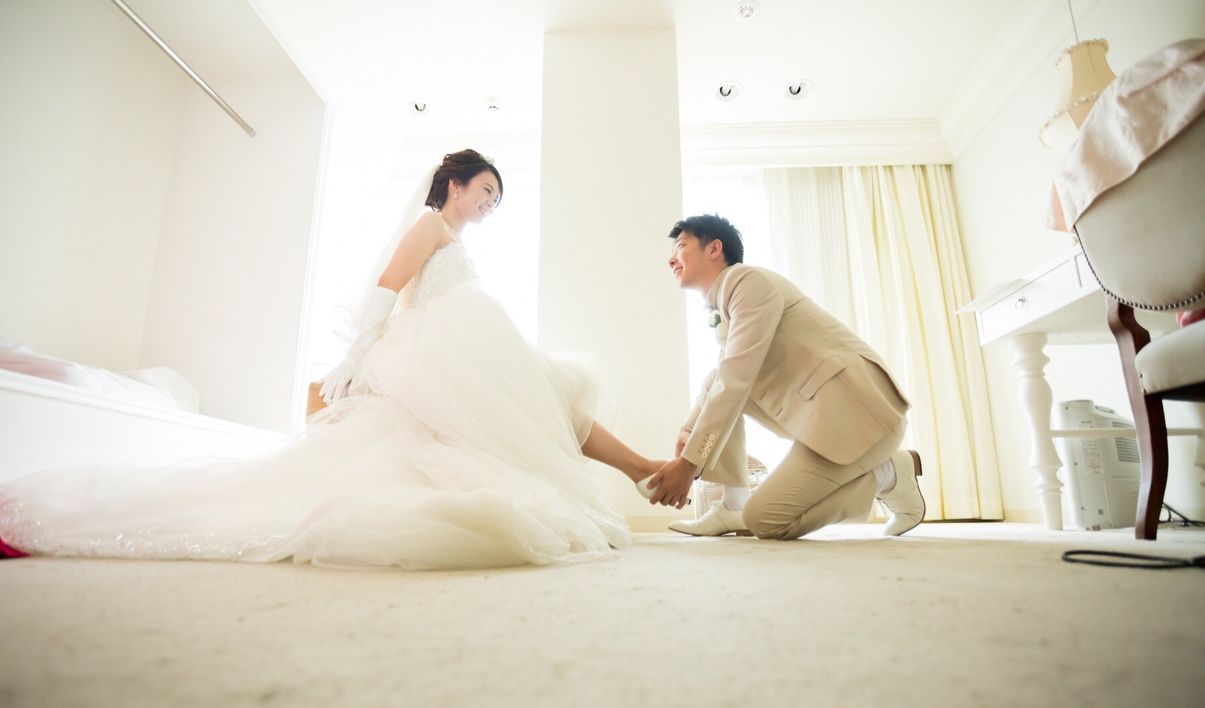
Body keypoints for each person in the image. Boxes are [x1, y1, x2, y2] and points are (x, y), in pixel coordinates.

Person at [0, 150, 664, 570]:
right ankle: (644, 470)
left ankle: (643, 470)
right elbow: (389, 285)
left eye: (497, 198)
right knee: (544, 388)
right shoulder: (430, 225)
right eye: (486, 189)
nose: (491, 202)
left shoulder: (452, 238)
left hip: (465, 345)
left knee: (547, 388)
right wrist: (357, 353)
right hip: (442, 346)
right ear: (455, 184)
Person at [645, 214, 926, 540]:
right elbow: (722, 379)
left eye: (681, 246)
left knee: (765, 521)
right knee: (716, 379)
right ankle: (734, 504)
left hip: (861, 416)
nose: (671, 259)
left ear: (714, 249)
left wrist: (689, 464)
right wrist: (689, 432)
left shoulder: (747, 282)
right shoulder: (726, 303)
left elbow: (735, 380)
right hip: (827, 423)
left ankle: (889, 474)